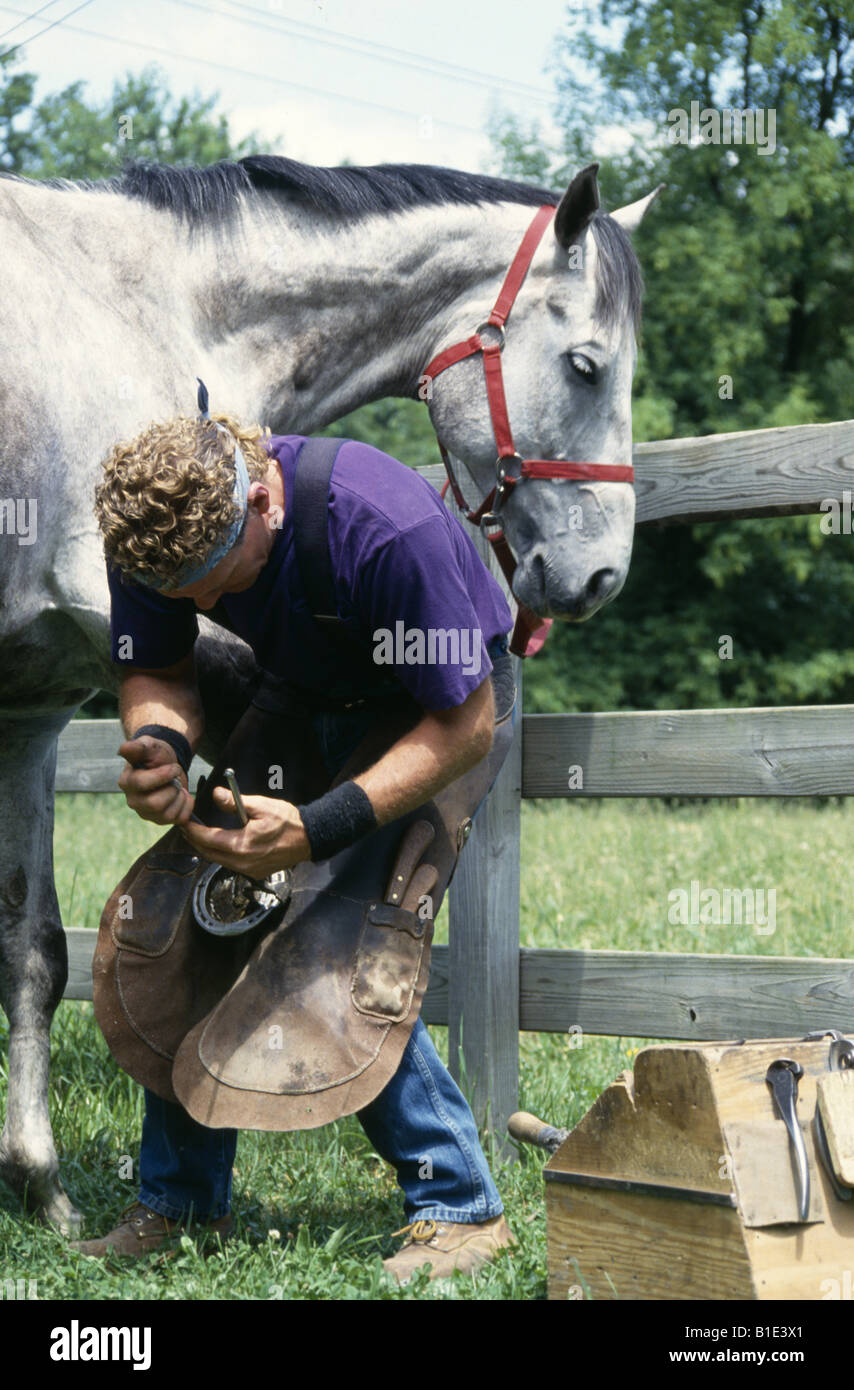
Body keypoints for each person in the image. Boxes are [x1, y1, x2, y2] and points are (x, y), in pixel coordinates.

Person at [76, 395, 517, 1283]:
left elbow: (466, 722)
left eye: (210, 581)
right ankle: (181, 1202)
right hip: (303, 692)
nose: (197, 603)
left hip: (434, 711)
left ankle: (461, 1208)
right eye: (178, 593)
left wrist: (320, 829)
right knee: (205, 919)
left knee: (341, 942)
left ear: (261, 504)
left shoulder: (382, 529)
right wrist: (160, 746)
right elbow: (158, 667)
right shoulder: (156, 538)